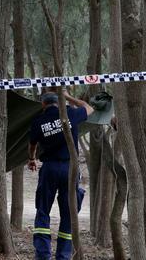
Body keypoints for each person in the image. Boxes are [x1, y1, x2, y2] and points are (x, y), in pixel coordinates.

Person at [28, 90, 93, 260]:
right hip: (70, 169)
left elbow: (32, 145)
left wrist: (31, 159)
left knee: (42, 210)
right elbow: (89, 108)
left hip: (49, 168)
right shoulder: (70, 114)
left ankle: (42, 255)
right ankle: (63, 256)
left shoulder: (38, 121)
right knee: (68, 212)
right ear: (59, 103)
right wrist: (69, 97)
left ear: (43, 105)